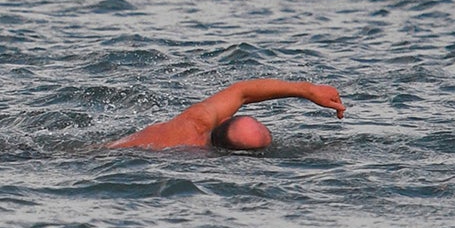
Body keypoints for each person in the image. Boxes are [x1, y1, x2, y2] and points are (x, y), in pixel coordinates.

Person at [109, 78, 345, 150]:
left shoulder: (196, 121)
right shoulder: (192, 141)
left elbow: (242, 92)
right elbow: (243, 92)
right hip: (98, 156)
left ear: (224, 120)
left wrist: (308, 91)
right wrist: (308, 91)